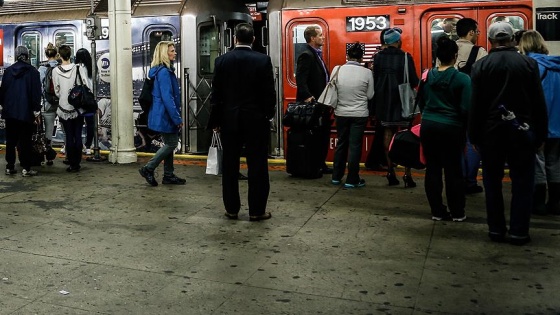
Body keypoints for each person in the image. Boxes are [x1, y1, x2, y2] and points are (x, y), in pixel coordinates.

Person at [469, 22, 548, 245]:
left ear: (491, 41)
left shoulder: (480, 66)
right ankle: (519, 232)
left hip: (491, 134)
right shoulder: (529, 64)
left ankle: (496, 230)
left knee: (492, 183)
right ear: (513, 40)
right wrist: (540, 135)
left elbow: (476, 106)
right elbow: (538, 104)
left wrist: (474, 135)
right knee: (523, 182)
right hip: (521, 132)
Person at [208, 23, 276, 221]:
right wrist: (267, 115)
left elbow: (216, 94)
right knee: (257, 165)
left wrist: (216, 120)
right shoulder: (263, 60)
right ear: (253, 39)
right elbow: (268, 94)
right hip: (256, 121)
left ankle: (231, 209)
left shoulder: (222, 61)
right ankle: (256, 211)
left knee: (230, 165)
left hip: (229, 121)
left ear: (235, 39)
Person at [420, 36, 471, 221]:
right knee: (453, 170)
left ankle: (437, 211)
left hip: (428, 126)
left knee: (432, 169)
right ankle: (457, 212)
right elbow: (466, 108)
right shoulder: (462, 79)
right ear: (455, 56)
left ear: (438, 56)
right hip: (451, 127)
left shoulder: (426, 76)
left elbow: (421, 102)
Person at [518, 30, 560, 215]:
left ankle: (538, 203)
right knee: (555, 163)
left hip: (539, 125)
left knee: (538, 163)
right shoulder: (556, 66)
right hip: (558, 125)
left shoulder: (531, 67)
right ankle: (556, 203)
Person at [372, 27, 419, 188]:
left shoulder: (378, 57)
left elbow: (374, 79)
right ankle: (407, 174)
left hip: (384, 100)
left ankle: (390, 171)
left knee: (387, 133)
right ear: (398, 41)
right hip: (402, 101)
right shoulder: (406, 56)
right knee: (406, 136)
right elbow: (414, 80)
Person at [138, 41, 185, 186]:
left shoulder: (158, 70)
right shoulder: (164, 72)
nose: (175, 53)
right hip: (166, 115)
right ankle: (148, 168)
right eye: (172, 51)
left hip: (162, 113)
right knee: (171, 143)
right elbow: (167, 98)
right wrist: (177, 118)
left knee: (169, 142)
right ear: (165, 53)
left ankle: (168, 175)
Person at [331, 42, 374, 188]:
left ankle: (336, 177)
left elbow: (333, 90)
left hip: (341, 113)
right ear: (362, 58)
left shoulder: (337, 69)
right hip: (359, 114)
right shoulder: (367, 73)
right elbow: (370, 95)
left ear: (347, 56)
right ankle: (352, 179)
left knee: (341, 143)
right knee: (355, 146)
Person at [455, 18, 488, 195]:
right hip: (474, 104)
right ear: (470, 33)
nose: (477, 35)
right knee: (473, 143)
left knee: (457, 144)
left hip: (452, 105)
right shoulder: (479, 51)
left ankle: (458, 179)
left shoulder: (449, 50)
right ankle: (470, 181)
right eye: (477, 32)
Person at [295, 25, 332, 174]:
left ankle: (320, 163)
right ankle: (315, 164)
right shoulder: (307, 55)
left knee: (322, 134)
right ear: (312, 38)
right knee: (316, 135)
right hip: (313, 103)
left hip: (321, 102)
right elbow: (301, 80)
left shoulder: (316, 54)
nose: (323, 37)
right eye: (320, 35)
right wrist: (308, 96)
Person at [0, 46, 42, 176]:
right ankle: (26, 167)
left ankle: (10, 166)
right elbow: (36, 93)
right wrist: (36, 110)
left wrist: (5, 106)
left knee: (11, 140)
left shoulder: (8, 72)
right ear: (27, 56)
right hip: (26, 112)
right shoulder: (33, 72)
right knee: (25, 141)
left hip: (10, 112)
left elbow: (2, 92)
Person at [52, 45, 90, 172]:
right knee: (78, 134)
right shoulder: (79, 68)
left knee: (68, 135)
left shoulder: (55, 71)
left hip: (63, 107)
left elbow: (56, 90)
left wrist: (63, 96)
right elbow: (86, 84)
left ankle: (71, 162)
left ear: (60, 56)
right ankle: (77, 163)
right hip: (78, 107)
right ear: (70, 54)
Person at [38, 43, 59, 166]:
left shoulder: (42, 69)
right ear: (56, 54)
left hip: (47, 103)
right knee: (67, 130)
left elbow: (39, 87)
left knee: (48, 131)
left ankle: (48, 157)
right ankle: (68, 154)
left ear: (46, 55)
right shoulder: (61, 67)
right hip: (62, 103)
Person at [74, 48, 95, 155]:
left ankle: (79, 145)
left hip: (80, 99)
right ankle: (88, 146)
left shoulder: (77, 67)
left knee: (78, 123)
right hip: (90, 99)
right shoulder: (93, 67)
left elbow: (79, 82)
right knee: (90, 124)